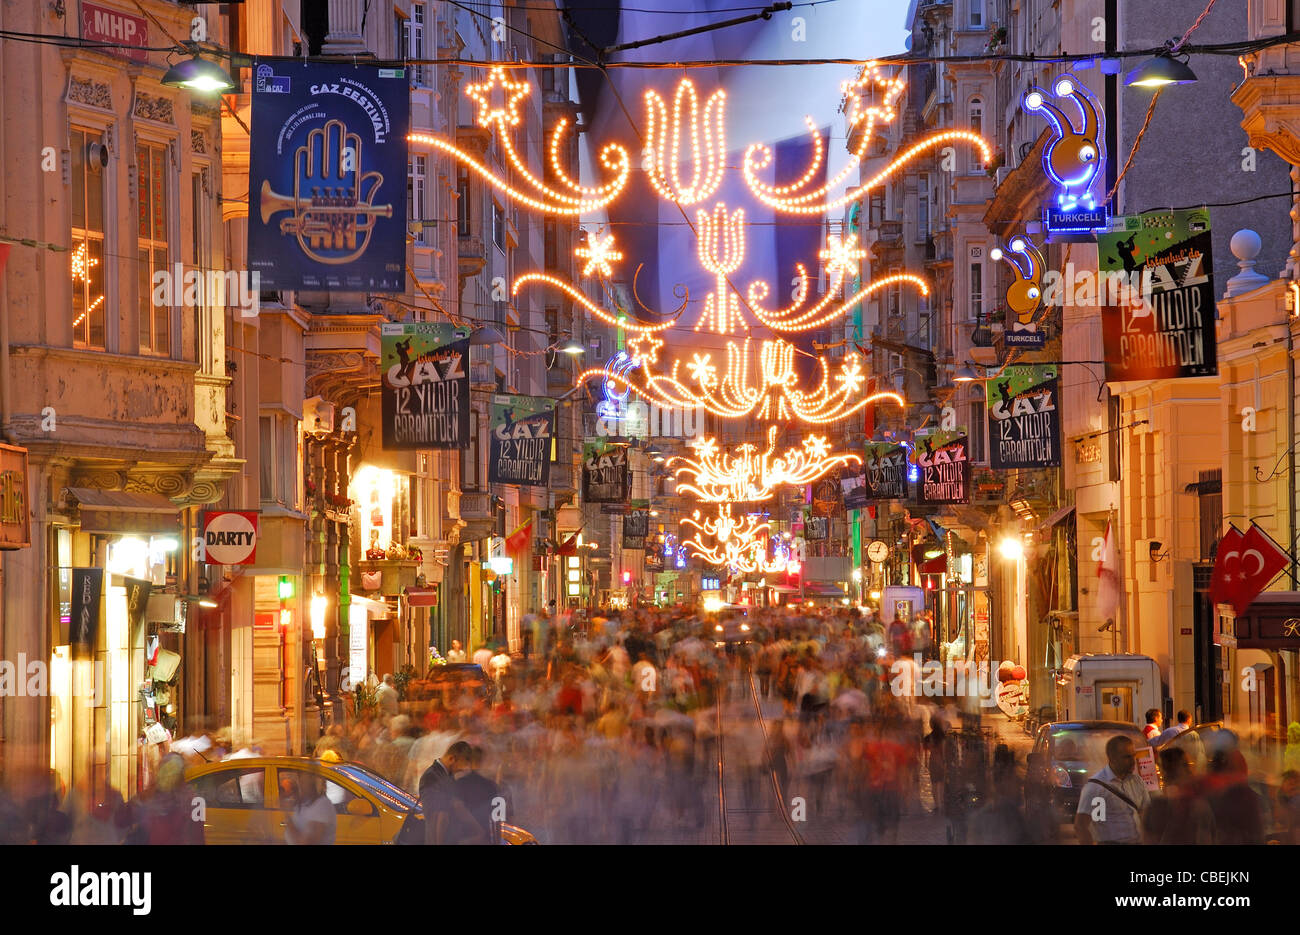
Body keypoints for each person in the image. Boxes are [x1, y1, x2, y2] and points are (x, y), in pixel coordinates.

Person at [1074, 735, 1150, 845]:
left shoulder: (1137, 781)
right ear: (1112, 758)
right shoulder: (1096, 787)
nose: (1133, 761)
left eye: (1134, 756)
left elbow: (1146, 814)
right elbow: (1081, 825)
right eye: (1127, 757)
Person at [418, 741, 486, 845]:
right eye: (459, 768)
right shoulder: (432, 777)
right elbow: (438, 815)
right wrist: (478, 830)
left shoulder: (444, 775)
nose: (460, 771)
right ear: (452, 759)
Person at [455, 746, 503, 844]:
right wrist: (497, 841)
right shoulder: (491, 786)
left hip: (464, 836)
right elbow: (497, 819)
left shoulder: (459, 783)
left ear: (468, 762)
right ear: (482, 761)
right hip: (484, 838)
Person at [284, 772, 336, 845]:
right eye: (300, 781)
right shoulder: (304, 804)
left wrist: (288, 819)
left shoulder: (322, 805)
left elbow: (307, 842)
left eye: (305, 782)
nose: (301, 786)